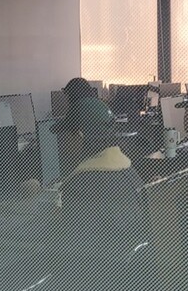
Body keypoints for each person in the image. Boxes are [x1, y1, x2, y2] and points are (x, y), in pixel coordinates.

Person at [49, 97, 146, 260]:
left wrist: (54, 224)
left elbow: (71, 252)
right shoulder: (130, 171)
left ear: (79, 136)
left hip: (99, 271)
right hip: (127, 268)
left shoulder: (80, 186)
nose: (63, 143)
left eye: (66, 136)